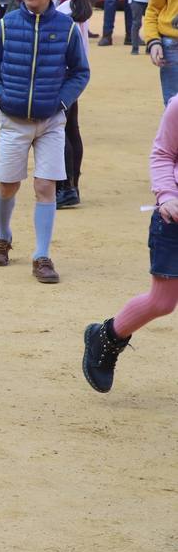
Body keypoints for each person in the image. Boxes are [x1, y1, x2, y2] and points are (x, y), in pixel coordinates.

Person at [0, 0, 89, 284]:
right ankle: (2, 235)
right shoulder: (5, 26)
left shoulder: (67, 29)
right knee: (9, 183)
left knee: (45, 186)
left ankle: (41, 255)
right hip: (13, 120)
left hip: (52, 120)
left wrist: (62, 101)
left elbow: (80, 72)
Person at [81, 97, 178, 393]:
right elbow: (163, 154)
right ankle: (106, 338)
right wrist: (167, 195)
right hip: (174, 217)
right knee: (162, 302)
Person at [55, 0, 95, 209]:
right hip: (77, 75)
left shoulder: (61, 11)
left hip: (61, 75)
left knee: (60, 131)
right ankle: (74, 184)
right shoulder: (81, 7)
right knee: (72, 129)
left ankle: (66, 186)